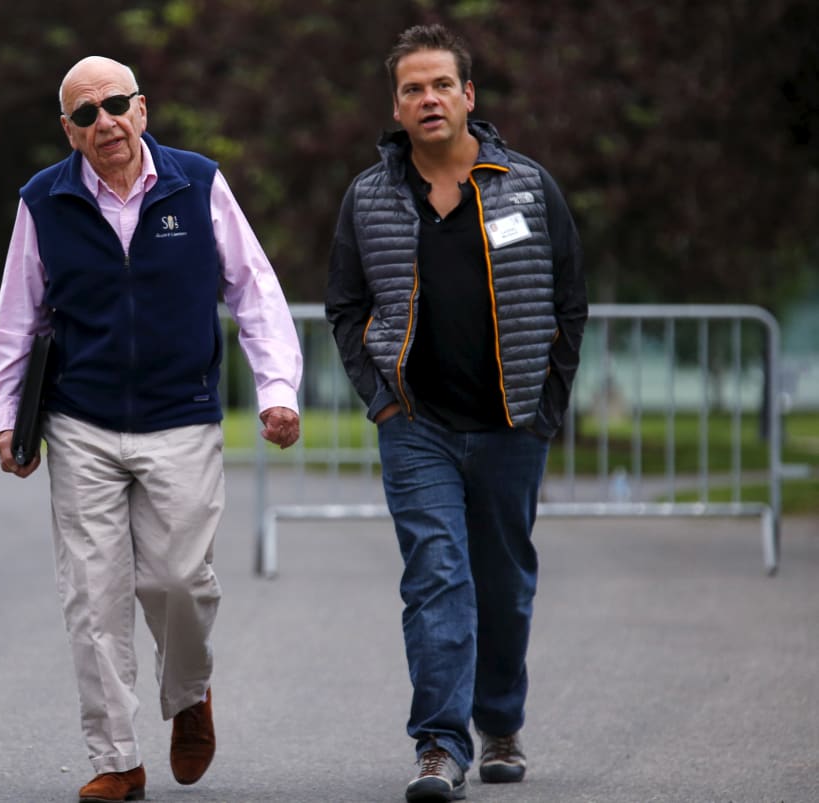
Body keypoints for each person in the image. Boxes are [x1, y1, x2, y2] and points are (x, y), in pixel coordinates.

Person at [0, 56, 302, 803]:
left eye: (115, 105)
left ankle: (188, 693)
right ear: (68, 131)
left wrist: (277, 388)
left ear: (142, 108)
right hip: (81, 421)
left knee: (177, 581)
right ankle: (116, 756)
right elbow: (17, 317)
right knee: (93, 594)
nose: (104, 123)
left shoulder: (197, 182)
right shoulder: (44, 200)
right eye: (85, 115)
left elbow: (255, 290)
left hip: (179, 415)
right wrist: (4, 415)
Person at [326, 24, 587, 803]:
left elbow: (568, 302)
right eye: (412, 88)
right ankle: (439, 745)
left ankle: (499, 721)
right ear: (396, 106)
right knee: (436, 575)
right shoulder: (368, 197)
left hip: (511, 423)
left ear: (467, 96)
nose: (427, 98)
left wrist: (547, 406)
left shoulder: (527, 186)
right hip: (417, 425)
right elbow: (345, 306)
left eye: (441, 84)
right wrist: (380, 399)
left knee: (502, 584)